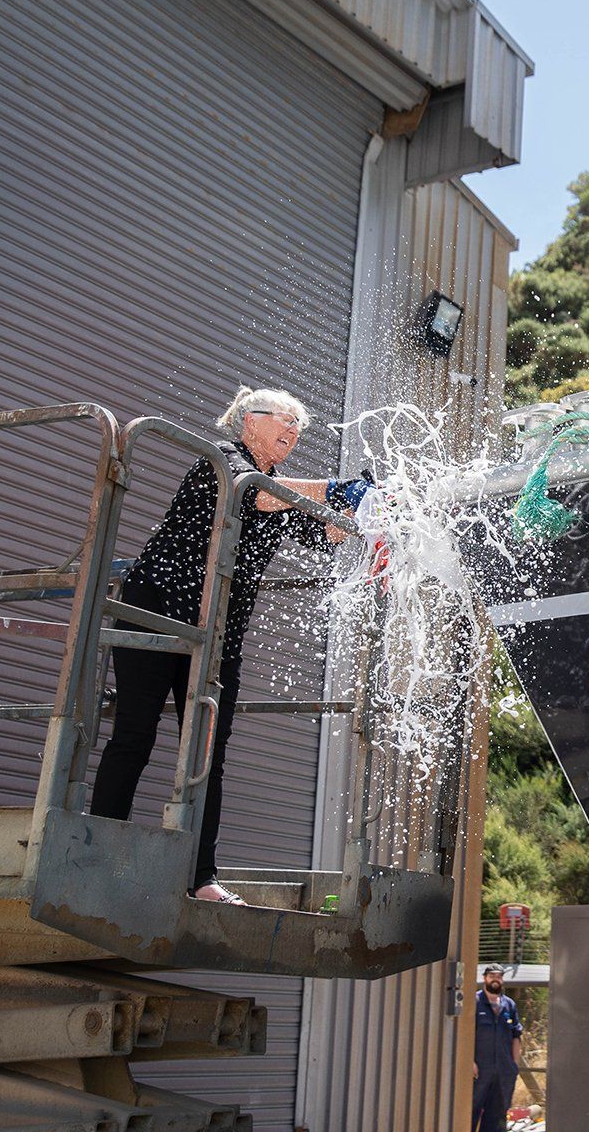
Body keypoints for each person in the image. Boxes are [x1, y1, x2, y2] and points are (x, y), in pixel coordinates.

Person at [88, 386, 371, 904]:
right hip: (158, 612)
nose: (293, 430)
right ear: (248, 422)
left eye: (299, 426)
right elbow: (254, 491)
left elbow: (326, 532)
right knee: (134, 735)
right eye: (284, 419)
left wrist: (374, 515)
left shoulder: (280, 490)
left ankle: (200, 878)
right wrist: (336, 488)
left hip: (218, 634)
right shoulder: (222, 462)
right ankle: (95, 857)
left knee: (208, 754)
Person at [473, 963, 524, 1132]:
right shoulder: (475, 1002)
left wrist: (514, 1065)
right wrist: (470, 1061)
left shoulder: (509, 1005)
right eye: (492, 976)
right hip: (479, 1071)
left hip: (503, 1072)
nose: (496, 980)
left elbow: (516, 1036)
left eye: (499, 977)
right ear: (485, 978)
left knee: (497, 1116)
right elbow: (465, 1034)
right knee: (471, 1111)